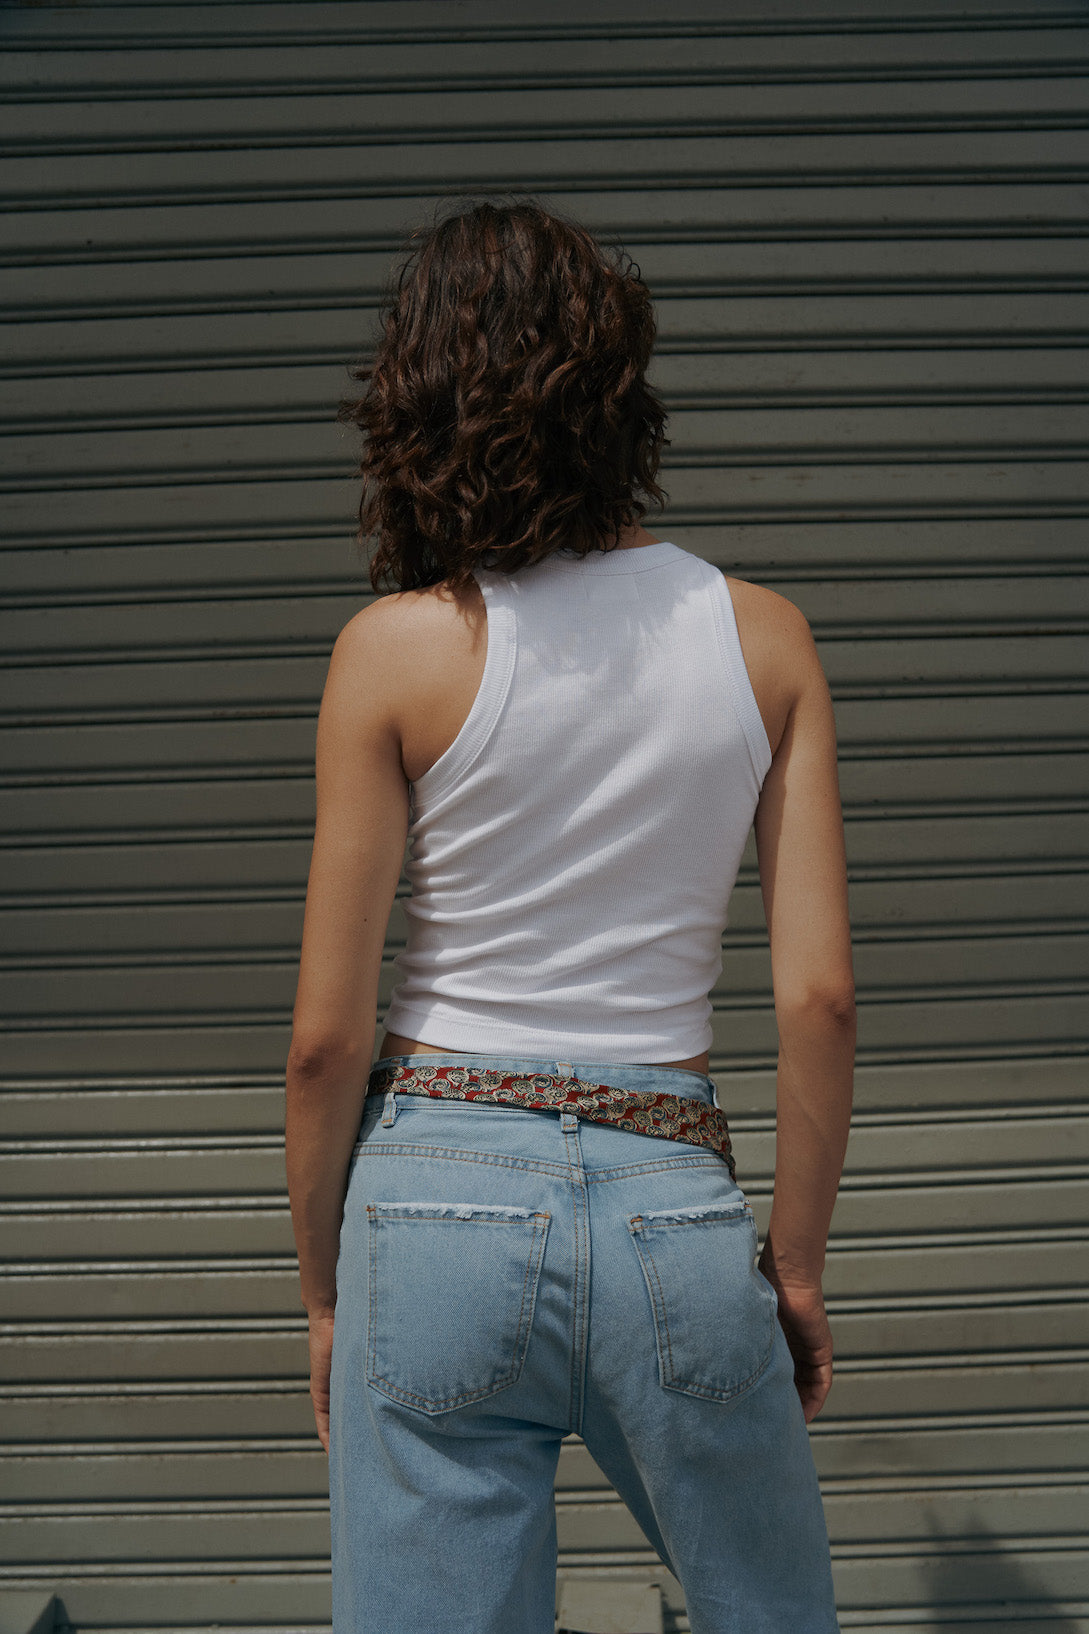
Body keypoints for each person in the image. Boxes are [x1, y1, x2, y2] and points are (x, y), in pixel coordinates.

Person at [285, 199, 855, 1634]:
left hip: (430, 1203)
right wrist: (790, 1267)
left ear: (417, 399)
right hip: (672, 1195)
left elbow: (323, 1038)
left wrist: (321, 1294)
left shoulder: (393, 653)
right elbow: (817, 1002)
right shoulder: (764, 639)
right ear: (619, 394)